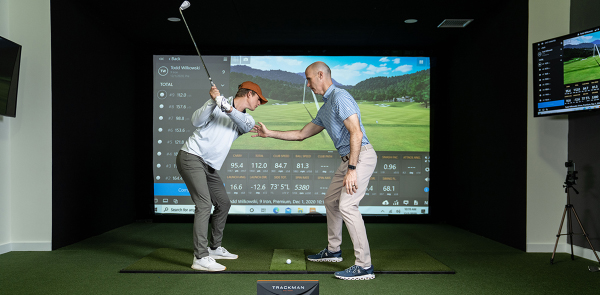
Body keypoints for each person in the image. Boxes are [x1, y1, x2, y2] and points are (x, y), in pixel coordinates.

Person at [251, 61, 377, 280]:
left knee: (347, 205)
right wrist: (270, 133)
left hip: (361, 156)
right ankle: (333, 251)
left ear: (321, 75)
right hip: (348, 159)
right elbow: (301, 134)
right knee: (331, 200)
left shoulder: (340, 97)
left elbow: (355, 133)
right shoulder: (326, 107)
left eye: (309, 79)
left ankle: (364, 266)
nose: (308, 84)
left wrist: (353, 169)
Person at [176, 81, 268, 271]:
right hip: (191, 156)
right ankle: (200, 257)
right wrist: (213, 102)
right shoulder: (216, 104)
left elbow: (241, 123)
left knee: (223, 203)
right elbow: (196, 121)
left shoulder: (248, 120)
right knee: (203, 203)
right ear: (249, 94)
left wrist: (224, 105)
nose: (260, 103)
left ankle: (214, 248)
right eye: (259, 99)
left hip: (209, 166)